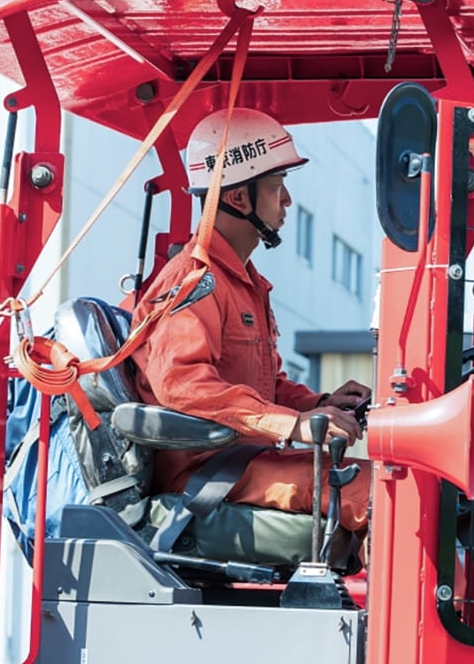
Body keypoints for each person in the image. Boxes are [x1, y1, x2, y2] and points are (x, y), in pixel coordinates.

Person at [130, 107, 372, 536]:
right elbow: (181, 385)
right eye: (277, 187)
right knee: (375, 493)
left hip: (244, 460)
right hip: (208, 472)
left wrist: (318, 405)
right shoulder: (195, 281)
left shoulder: (244, 282)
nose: (287, 201)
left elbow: (263, 385)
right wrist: (290, 425)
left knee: (390, 484)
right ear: (238, 198)